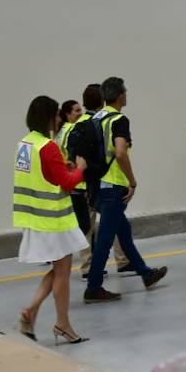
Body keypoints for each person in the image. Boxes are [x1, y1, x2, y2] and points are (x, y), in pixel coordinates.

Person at [82, 77, 168, 302]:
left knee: (124, 231)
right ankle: (93, 288)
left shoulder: (93, 118)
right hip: (113, 186)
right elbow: (120, 152)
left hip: (95, 186)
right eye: (125, 91)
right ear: (120, 95)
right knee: (105, 241)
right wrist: (132, 181)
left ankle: (146, 274)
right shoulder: (119, 120)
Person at [14, 95, 88, 345]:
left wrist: (62, 166)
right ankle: (63, 323)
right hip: (54, 220)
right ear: (48, 117)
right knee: (63, 272)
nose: (59, 119)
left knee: (57, 269)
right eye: (56, 115)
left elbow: (42, 173)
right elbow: (67, 182)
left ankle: (31, 311)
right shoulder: (48, 146)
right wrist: (79, 169)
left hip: (35, 217)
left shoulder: (25, 144)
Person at [68, 84, 105, 270]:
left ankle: (86, 265)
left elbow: (70, 156)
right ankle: (124, 261)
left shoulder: (75, 126)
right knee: (112, 223)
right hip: (98, 182)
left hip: (79, 183)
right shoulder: (100, 123)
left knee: (86, 227)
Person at [56, 99, 90, 240]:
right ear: (67, 114)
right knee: (84, 224)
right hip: (77, 182)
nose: (80, 113)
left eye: (80, 109)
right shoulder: (73, 129)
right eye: (76, 110)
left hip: (66, 181)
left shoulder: (59, 132)